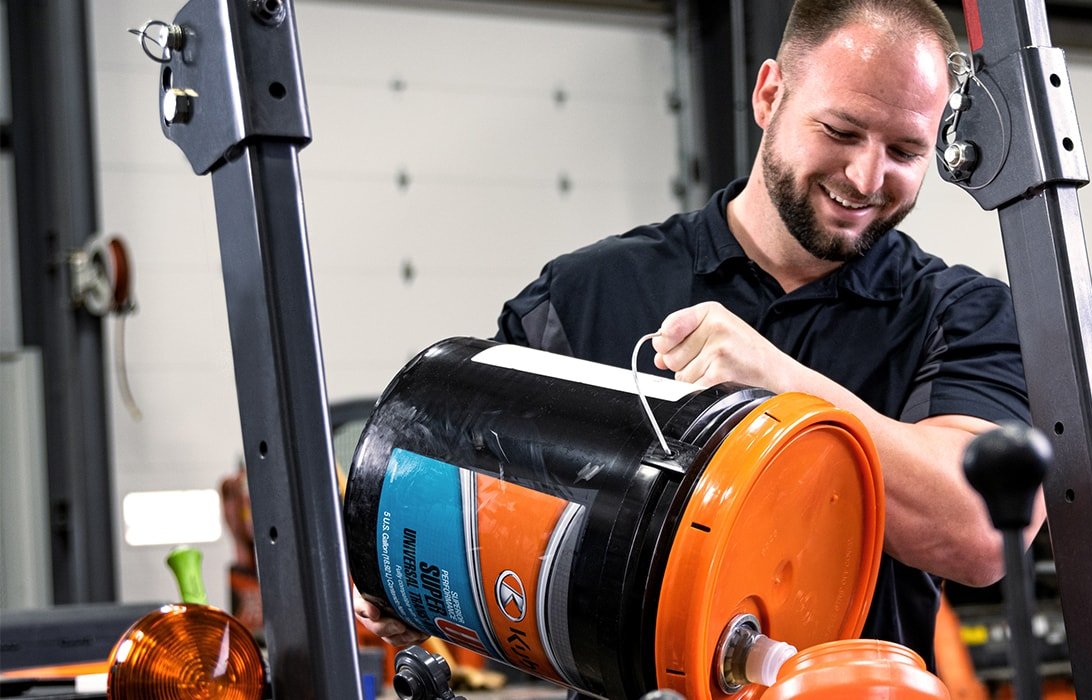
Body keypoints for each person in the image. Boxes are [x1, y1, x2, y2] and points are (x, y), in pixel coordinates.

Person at [356, 0, 1046, 672]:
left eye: (904, 151)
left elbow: (983, 535)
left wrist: (777, 384)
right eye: (840, 131)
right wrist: (398, 581)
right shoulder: (584, 295)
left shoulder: (960, 315)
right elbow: (453, 493)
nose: (867, 177)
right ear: (769, 95)